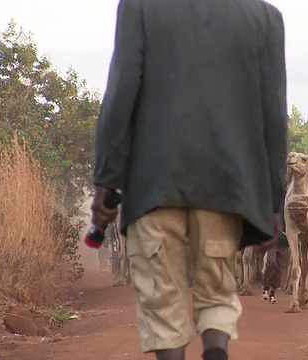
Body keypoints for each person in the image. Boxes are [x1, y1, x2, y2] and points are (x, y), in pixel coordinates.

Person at [89, 1, 288, 359]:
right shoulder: (263, 17)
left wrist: (108, 179)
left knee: (162, 302)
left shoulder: (140, 7)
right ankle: (215, 351)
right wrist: (273, 201)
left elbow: (119, 96)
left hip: (154, 186)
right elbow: (274, 116)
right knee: (217, 293)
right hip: (227, 189)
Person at [261, 198, 289, 304]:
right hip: (273, 239)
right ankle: (265, 288)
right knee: (271, 262)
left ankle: (273, 293)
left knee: (279, 269)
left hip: (285, 242)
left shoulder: (291, 204)